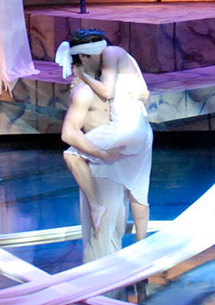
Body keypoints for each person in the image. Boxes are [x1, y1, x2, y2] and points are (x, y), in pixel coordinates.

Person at [57, 29, 152, 254]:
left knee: (120, 218)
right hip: (112, 156)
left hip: (120, 147)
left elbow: (130, 99)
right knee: (109, 229)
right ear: (83, 57)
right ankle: (138, 248)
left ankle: (135, 252)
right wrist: (102, 155)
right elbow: (69, 133)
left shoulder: (107, 78)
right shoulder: (85, 91)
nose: (104, 57)